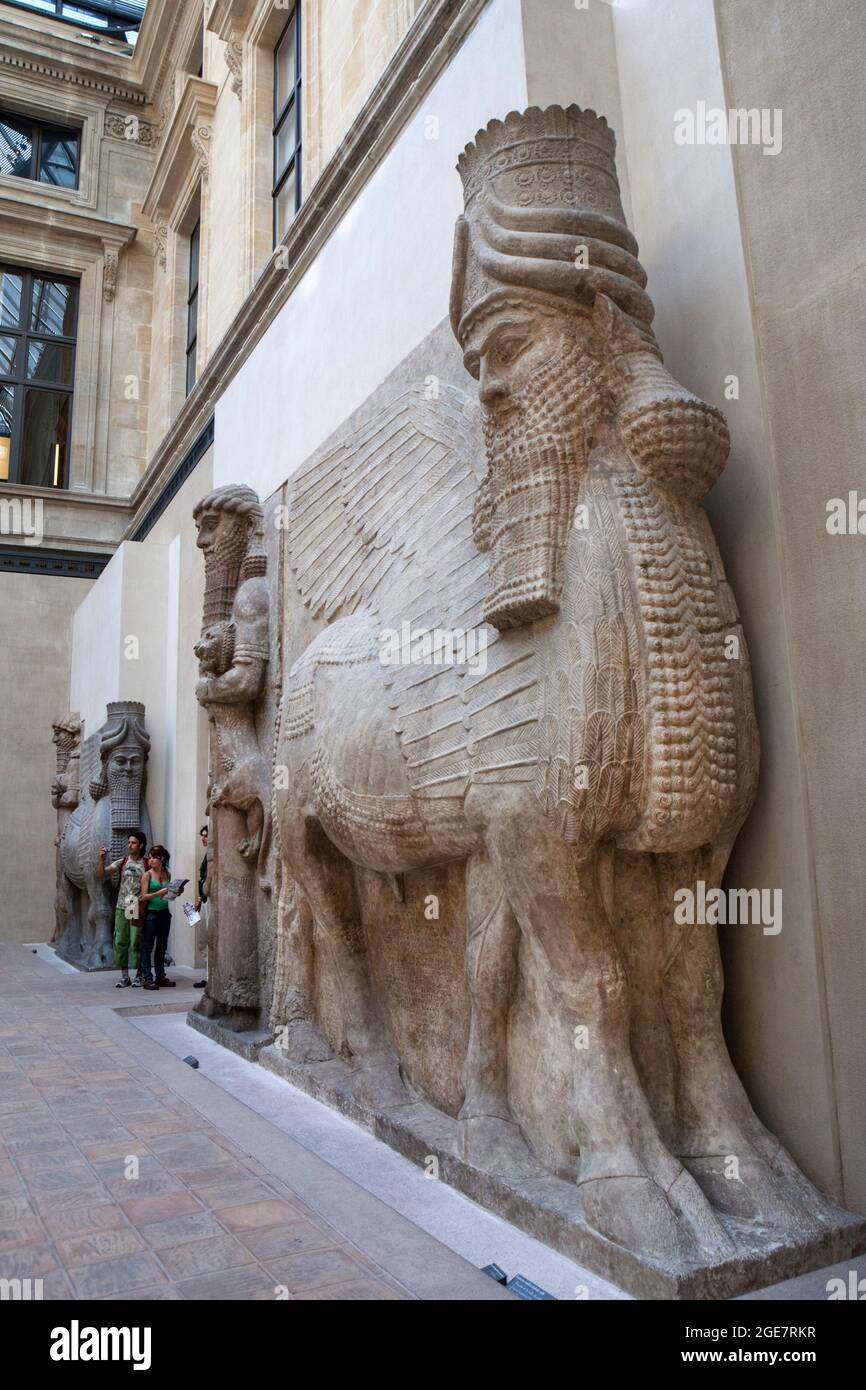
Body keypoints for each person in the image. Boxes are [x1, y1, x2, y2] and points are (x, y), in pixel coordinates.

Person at [97, 833, 147, 988]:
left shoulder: (146, 863)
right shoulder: (123, 862)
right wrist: (102, 858)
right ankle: (125, 976)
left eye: (133, 843)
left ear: (141, 845)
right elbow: (101, 873)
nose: (130, 845)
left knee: (136, 941)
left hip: (136, 905)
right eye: (129, 842)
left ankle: (140, 975)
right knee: (120, 941)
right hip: (122, 904)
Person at [139, 845, 176, 990]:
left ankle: (160, 976)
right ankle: (148, 978)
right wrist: (158, 892)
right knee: (147, 946)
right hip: (151, 914)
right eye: (150, 856)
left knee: (162, 946)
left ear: (161, 859)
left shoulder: (167, 874)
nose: (151, 860)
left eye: (154, 857)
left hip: (164, 913)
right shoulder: (147, 875)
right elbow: (143, 896)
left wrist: (175, 892)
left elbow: (168, 894)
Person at [194, 824, 209, 989]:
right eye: (202, 835)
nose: (203, 839)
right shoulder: (207, 855)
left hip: (210, 900)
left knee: (207, 939)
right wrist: (200, 897)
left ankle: (210, 976)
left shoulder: (214, 855)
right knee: (203, 940)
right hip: (205, 899)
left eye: (205, 835)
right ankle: (207, 975)